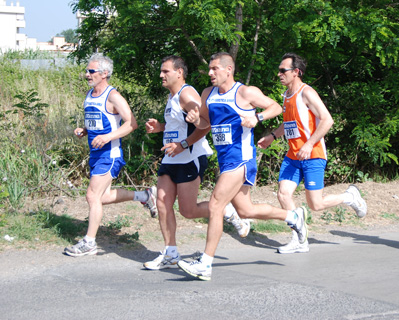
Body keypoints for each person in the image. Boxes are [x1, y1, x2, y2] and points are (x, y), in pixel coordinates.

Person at [177, 52, 308, 280]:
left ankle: (205, 264)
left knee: (216, 203)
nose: (210, 73)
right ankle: (293, 217)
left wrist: (257, 118)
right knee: (246, 210)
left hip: (242, 159)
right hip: (225, 159)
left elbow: (276, 107)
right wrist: (195, 120)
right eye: (209, 69)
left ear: (228, 70)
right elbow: (206, 124)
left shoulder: (245, 92)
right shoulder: (208, 94)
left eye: (214, 68)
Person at [143, 56, 249, 270]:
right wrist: (160, 127)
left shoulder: (187, 93)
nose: (161, 75)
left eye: (166, 71)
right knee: (162, 202)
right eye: (161, 72)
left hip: (190, 156)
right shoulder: (172, 96)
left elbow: (205, 124)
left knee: (188, 211)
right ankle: (170, 253)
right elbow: (180, 123)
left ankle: (226, 211)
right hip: (171, 157)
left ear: (179, 72)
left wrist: (183, 144)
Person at [257, 52, 367, 254]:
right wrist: (273, 135)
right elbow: (289, 123)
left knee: (315, 204)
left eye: (283, 71)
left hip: (313, 154)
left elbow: (327, 120)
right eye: (279, 71)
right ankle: (299, 238)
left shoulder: (307, 93)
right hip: (293, 155)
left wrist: (309, 144)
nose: (279, 74)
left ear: (296, 72)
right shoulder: (286, 95)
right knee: (283, 194)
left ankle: (350, 197)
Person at [64, 54, 156, 257]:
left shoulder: (113, 96)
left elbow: (131, 124)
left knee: (92, 195)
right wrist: (85, 131)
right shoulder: (90, 94)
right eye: (87, 71)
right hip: (96, 154)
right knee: (102, 197)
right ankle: (145, 196)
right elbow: (98, 121)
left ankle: (89, 242)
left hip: (110, 154)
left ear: (104, 74)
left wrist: (107, 137)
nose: (87, 74)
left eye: (91, 71)